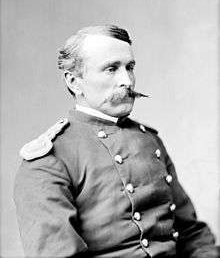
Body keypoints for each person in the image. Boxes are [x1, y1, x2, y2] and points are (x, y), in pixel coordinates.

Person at [14, 25, 218, 258]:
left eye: (129, 67)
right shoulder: (49, 159)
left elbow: (192, 234)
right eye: (111, 69)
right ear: (74, 81)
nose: (127, 80)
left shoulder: (149, 141)